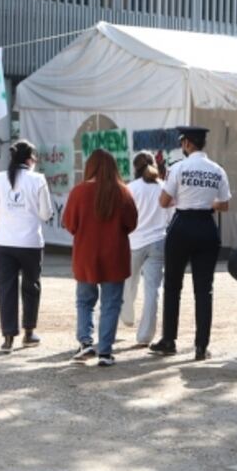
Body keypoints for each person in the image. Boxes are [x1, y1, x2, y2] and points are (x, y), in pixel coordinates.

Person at [150, 126, 231, 361]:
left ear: (186, 144)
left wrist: (183, 198)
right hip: (207, 226)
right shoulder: (217, 170)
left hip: (182, 226)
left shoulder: (178, 168)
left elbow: (163, 202)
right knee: (204, 289)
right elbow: (224, 205)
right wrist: (207, 202)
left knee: (173, 286)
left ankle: (169, 340)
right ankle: (201, 346)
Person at [63, 149, 138, 366]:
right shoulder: (123, 192)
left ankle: (86, 342)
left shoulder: (78, 192)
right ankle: (105, 352)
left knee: (85, 301)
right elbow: (132, 223)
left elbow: (69, 224)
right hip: (115, 255)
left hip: (86, 255)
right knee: (111, 304)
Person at [0, 139, 54, 351]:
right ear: (30, 159)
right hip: (30, 243)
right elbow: (46, 214)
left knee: (6, 289)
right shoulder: (38, 179)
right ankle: (29, 332)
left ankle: (8, 337)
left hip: (4, 242)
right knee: (31, 287)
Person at [121, 151, 172, 346]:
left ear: (135, 167)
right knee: (153, 290)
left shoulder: (130, 188)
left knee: (128, 282)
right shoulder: (164, 188)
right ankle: (145, 336)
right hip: (159, 241)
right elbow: (170, 216)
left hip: (134, 241)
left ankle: (127, 315)